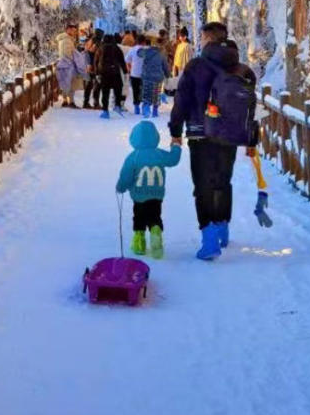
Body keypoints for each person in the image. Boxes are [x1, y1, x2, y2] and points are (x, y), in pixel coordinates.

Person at [169, 21, 268, 260]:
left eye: (202, 38)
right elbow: (250, 109)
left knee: (203, 186)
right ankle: (223, 228)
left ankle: (209, 238)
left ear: (208, 39)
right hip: (230, 135)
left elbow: (181, 100)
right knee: (223, 181)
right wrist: (252, 140)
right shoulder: (243, 70)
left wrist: (175, 131)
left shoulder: (195, 66)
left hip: (200, 133)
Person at [115, 118, 182, 259]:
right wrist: (175, 146)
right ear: (155, 137)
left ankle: (139, 243)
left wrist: (121, 187)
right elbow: (173, 160)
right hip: (157, 195)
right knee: (155, 216)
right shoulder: (159, 154)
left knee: (139, 217)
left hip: (139, 196)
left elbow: (126, 176)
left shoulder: (133, 157)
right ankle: (156, 234)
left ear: (134, 138)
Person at [138, 34, 170, 116]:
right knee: (156, 93)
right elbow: (165, 66)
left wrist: (143, 48)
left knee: (147, 93)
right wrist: (168, 74)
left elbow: (138, 53)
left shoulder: (146, 52)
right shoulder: (161, 54)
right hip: (158, 77)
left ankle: (146, 109)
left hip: (147, 76)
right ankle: (155, 111)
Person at [97, 33, 127, 118]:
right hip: (115, 72)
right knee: (118, 89)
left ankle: (105, 111)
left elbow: (96, 61)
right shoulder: (117, 48)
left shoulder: (101, 48)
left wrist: (97, 73)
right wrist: (125, 72)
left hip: (104, 73)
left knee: (105, 92)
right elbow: (122, 61)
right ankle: (117, 105)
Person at [56, 24, 86, 108]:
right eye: (73, 30)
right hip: (68, 64)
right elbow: (68, 53)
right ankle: (71, 102)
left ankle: (65, 100)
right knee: (71, 83)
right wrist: (75, 59)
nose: (75, 32)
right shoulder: (67, 40)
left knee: (66, 83)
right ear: (68, 30)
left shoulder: (65, 39)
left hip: (63, 64)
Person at [126, 36, 146, 113]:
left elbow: (127, 60)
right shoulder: (146, 50)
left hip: (134, 74)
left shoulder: (132, 50)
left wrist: (130, 68)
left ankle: (136, 107)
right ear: (144, 42)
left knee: (135, 91)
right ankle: (144, 107)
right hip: (144, 74)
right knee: (144, 91)